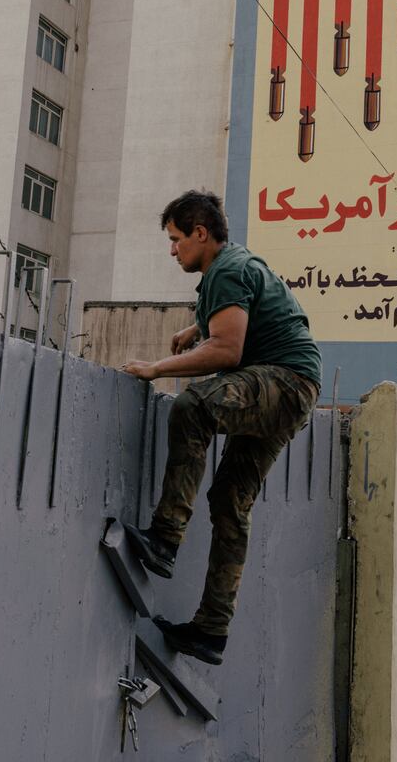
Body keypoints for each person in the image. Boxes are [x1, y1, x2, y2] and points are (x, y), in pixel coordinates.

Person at [122, 190, 321, 665]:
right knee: (230, 500)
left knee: (193, 407)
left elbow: (228, 352)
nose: (172, 250)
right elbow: (239, 316)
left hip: (283, 381)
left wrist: (158, 367)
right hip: (293, 388)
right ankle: (211, 630)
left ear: (201, 234)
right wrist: (196, 328)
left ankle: (165, 538)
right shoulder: (231, 267)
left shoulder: (226, 269)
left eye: (176, 240)